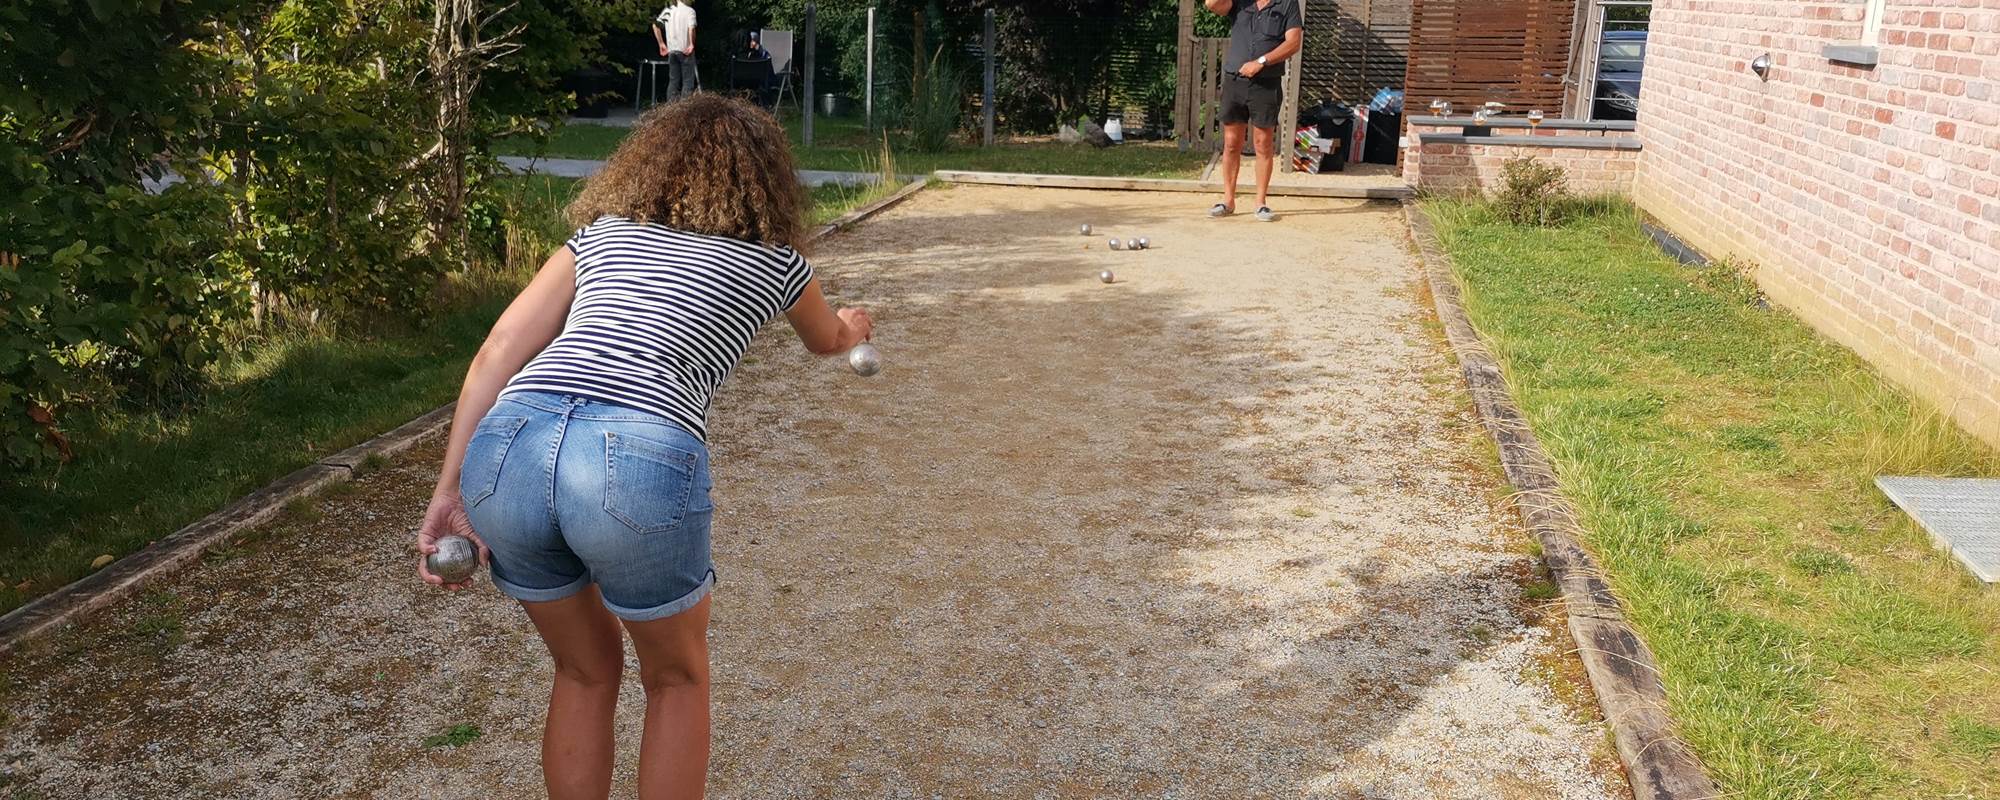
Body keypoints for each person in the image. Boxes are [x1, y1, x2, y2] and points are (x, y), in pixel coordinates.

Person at [415, 94, 873, 800]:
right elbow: (827, 341)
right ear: (769, 180)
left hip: (511, 444)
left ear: (649, 163)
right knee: (676, 678)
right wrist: (852, 323)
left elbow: (499, 349)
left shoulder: (602, 234)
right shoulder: (779, 262)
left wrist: (449, 492)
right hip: (637, 453)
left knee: (582, 669)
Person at [1204, 0, 1302, 222]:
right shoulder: (1239, 2)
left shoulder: (1287, 4)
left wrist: (1261, 61)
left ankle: (1261, 203)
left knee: (1263, 144)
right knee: (1231, 143)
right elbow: (1212, 5)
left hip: (1266, 83)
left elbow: (1294, 42)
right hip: (1235, 80)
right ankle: (1228, 200)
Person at [653, 0, 698, 102]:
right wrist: (691, 44)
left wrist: (661, 43)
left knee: (673, 81)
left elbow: (655, 25)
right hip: (685, 50)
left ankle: (671, 110)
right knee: (687, 82)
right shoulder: (689, 11)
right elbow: (691, 28)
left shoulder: (668, 11)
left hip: (672, 51)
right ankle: (684, 111)